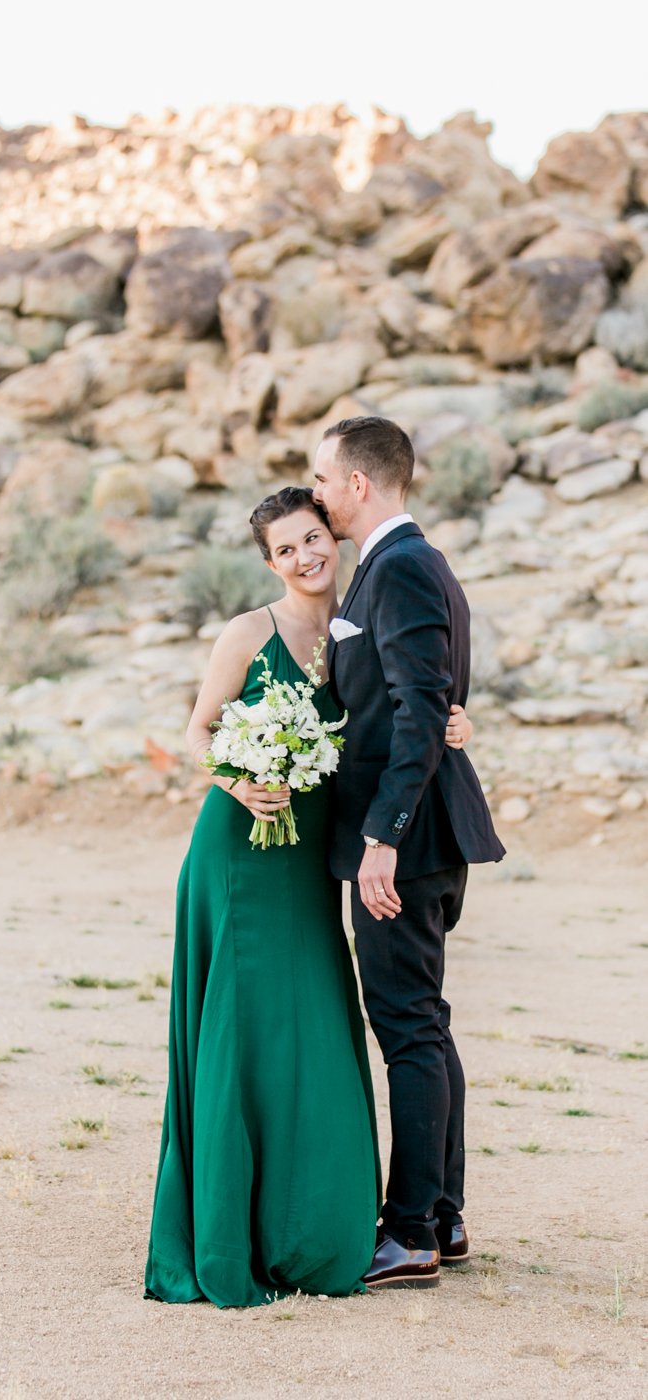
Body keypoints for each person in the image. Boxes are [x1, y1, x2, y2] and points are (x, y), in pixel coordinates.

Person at [145, 486, 474, 1308]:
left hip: (316, 864)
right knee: (243, 1030)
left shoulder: (358, 624)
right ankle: (235, 1225)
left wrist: (452, 721)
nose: (303, 558)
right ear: (267, 563)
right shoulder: (246, 633)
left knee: (318, 1032)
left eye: (311, 538)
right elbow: (196, 730)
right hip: (240, 856)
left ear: (334, 534)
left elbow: (410, 701)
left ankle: (318, 1221)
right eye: (283, 550)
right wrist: (238, 776)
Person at [312, 416, 505, 1291]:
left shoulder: (399, 569)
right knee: (423, 1023)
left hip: (405, 840)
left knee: (407, 1031)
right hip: (418, 831)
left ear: (359, 483)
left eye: (322, 478)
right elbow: (418, 703)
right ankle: (445, 1216)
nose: (315, 492)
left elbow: (423, 710)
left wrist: (379, 838)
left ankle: (410, 1230)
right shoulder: (406, 567)